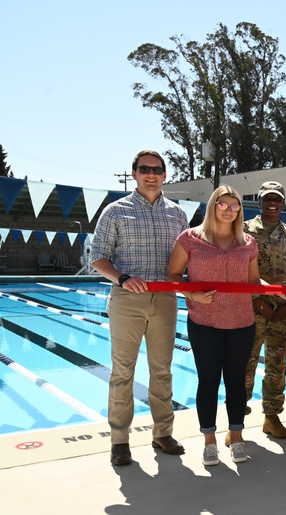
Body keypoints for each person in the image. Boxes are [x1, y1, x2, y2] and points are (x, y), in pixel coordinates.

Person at [167, 185, 286, 465]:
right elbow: (174, 274)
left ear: (240, 210)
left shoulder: (247, 242)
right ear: (213, 206)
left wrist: (276, 290)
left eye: (234, 206)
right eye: (222, 204)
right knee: (208, 382)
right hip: (204, 321)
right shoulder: (190, 238)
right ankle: (209, 441)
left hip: (241, 321)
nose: (228, 210)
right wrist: (191, 293)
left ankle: (236, 438)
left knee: (236, 382)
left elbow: (253, 282)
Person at [90, 150, 189, 466]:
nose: (151, 174)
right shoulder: (115, 212)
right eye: (144, 169)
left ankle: (163, 433)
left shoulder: (177, 214)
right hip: (128, 299)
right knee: (123, 371)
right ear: (133, 173)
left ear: (164, 174)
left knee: (162, 369)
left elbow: (187, 259)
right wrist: (122, 278)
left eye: (157, 169)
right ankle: (120, 440)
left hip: (165, 299)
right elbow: (98, 256)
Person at [242, 181, 286, 441]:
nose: (272, 203)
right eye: (267, 199)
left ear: (283, 203)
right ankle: (237, 419)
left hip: (283, 310)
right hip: (250, 308)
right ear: (260, 202)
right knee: (245, 363)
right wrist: (258, 302)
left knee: (277, 365)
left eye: (277, 198)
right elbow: (237, 269)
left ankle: (272, 416)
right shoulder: (244, 231)